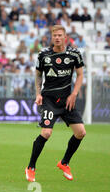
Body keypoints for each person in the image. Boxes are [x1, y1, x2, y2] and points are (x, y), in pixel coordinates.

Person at [25, 25, 86, 182]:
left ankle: (64, 163)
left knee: (80, 133)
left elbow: (80, 75)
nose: (57, 37)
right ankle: (31, 167)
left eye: (60, 35)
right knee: (46, 133)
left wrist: (74, 94)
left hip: (67, 101)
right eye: (55, 35)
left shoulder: (74, 54)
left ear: (65, 37)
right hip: (49, 100)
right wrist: (38, 94)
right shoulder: (44, 55)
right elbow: (38, 76)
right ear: (52, 37)